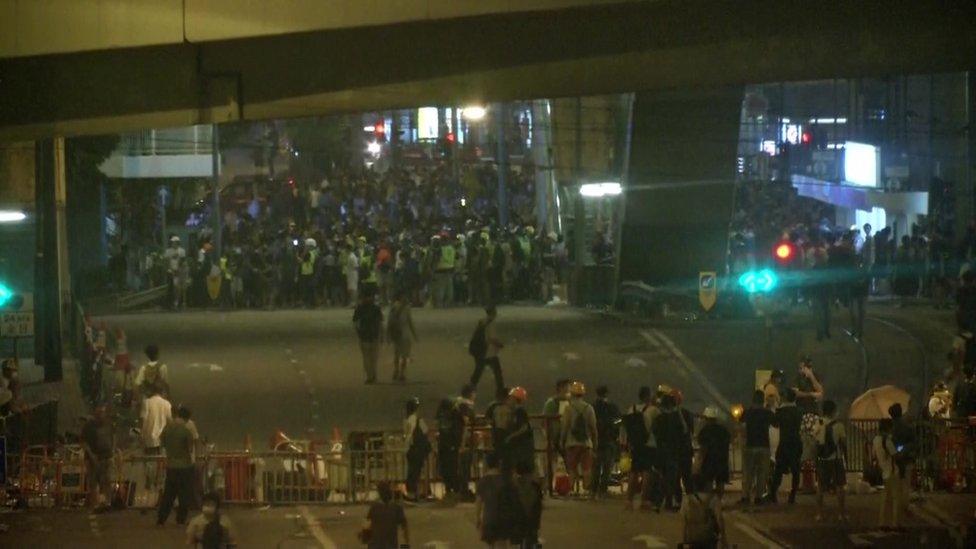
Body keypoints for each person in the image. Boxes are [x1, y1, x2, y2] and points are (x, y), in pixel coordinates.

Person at [158, 405, 196, 526]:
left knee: (168, 494)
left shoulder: (167, 428)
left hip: (171, 465)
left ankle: (161, 519)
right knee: (184, 495)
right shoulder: (185, 431)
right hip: (184, 466)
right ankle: (180, 519)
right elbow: (190, 448)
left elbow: (161, 441)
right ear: (186, 418)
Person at [623, 386, 659, 510]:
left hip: (635, 445)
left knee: (634, 471)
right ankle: (644, 500)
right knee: (647, 472)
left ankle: (628, 500)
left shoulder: (631, 409)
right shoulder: (654, 410)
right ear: (648, 396)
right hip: (649, 444)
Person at [560, 381, 597, 496]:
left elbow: (565, 427)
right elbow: (593, 428)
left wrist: (562, 441)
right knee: (587, 468)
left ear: (572, 393)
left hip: (572, 443)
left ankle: (571, 490)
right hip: (586, 443)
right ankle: (587, 490)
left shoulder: (568, 408)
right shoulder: (589, 408)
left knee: (571, 468)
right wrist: (595, 443)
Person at [768, 388, 803, 504]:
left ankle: (773, 493)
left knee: (778, 470)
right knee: (795, 471)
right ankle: (792, 495)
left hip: (784, 443)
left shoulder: (781, 411)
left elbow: (775, 424)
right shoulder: (799, 411)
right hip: (796, 442)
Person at [815, 399, 847, 522]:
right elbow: (843, 443)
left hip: (823, 459)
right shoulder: (839, 425)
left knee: (820, 487)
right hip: (836, 458)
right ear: (834, 411)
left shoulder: (818, 423)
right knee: (840, 486)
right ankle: (841, 514)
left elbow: (816, 442)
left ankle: (819, 514)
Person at [653, 393, 687, 511]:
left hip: (660, 451)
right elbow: (684, 430)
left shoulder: (658, 418)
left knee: (661, 477)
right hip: (673, 451)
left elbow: (654, 433)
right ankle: (668, 502)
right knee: (671, 479)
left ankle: (657, 502)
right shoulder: (676, 419)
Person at [740, 390, 774, 506]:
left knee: (748, 473)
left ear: (753, 399)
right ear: (762, 399)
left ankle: (745, 497)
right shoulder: (767, 413)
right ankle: (759, 497)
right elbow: (776, 424)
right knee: (762, 473)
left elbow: (742, 428)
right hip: (764, 445)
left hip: (750, 445)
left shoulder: (747, 412)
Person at [475, 452, 515, 548]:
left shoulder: (482, 481)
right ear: (498, 463)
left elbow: (479, 502)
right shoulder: (505, 480)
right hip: (503, 518)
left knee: (491, 544)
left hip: (489, 518)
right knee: (502, 544)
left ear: (487, 464)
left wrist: (478, 519)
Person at [873, 419, 905, 530]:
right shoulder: (887, 441)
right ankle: (895, 523)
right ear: (888, 429)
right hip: (892, 471)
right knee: (896, 498)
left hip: (884, 471)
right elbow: (895, 455)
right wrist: (901, 451)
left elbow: (874, 455)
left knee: (885, 498)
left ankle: (882, 523)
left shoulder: (876, 440)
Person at [81, 404, 114, 511]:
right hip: (93, 459)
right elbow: (84, 442)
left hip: (106, 457)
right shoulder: (88, 426)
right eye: (99, 412)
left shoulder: (109, 424)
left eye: (103, 412)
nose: (101, 415)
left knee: (106, 481)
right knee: (93, 482)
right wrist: (91, 455)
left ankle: (107, 503)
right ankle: (95, 504)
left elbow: (113, 438)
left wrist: (113, 452)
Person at [680, 477, 727, 549]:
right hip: (709, 537)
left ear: (694, 486)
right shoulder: (713, 499)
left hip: (693, 537)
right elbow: (719, 519)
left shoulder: (687, 500)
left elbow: (685, 522)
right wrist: (724, 539)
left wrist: (684, 540)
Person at [592, 385, 621, 497]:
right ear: (607, 394)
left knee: (596, 466)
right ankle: (603, 490)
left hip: (596, 439)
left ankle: (593, 490)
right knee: (607, 466)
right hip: (609, 439)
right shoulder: (612, 407)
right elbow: (618, 421)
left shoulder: (592, 407)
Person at [363, 481, 409, 549]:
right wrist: (406, 546)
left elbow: (367, 527)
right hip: (391, 545)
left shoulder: (374, 508)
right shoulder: (396, 508)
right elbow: (405, 529)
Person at [469, 306, 505, 393]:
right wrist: (500, 344)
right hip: (488, 351)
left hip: (479, 350)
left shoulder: (482, 322)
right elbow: (491, 338)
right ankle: (500, 389)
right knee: (497, 371)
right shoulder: (490, 323)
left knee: (479, 369)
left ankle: (471, 386)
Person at [696, 406, 731, 496]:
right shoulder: (723, 430)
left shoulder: (704, 431)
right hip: (722, 460)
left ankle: (708, 503)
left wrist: (698, 464)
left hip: (709, 461)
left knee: (708, 482)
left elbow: (702, 447)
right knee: (720, 482)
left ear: (706, 418)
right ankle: (718, 503)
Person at [353, 291, 384, 384]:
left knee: (366, 358)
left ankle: (369, 376)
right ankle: (373, 375)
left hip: (364, 335)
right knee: (373, 358)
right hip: (374, 335)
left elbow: (355, 322)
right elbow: (380, 323)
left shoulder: (360, 308)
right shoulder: (376, 308)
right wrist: (381, 335)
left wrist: (358, 332)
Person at [403, 397, 431, 501]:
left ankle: (412, 493)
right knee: (417, 472)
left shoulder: (406, 421)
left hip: (410, 450)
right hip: (419, 450)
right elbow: (426, 431)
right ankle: (420, 493)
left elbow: (406, 436)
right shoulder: (419, 420)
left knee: (412, 472)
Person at [387, 292, 418, 382]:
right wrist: (415, 335)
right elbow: (410, 322)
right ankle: (402, 373)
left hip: (396, 334)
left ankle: (396, 370)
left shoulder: (393, 308)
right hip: (405, 334)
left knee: (396, 354)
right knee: (404, 355)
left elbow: (390, 323)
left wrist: (388, 335)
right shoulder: (406, 308)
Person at [512, 460, 543, 549]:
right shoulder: (535, 486)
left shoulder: (515, 486)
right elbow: (539, 504)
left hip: (519, 518)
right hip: (533, 518)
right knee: (531, 538)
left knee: (521, 539)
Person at [435, 398, 462, 498]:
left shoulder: (441, 415)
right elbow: (457, 430)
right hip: (451, 446)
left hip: (443, 446)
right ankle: (455, 488)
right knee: (453, 467)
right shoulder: (454, 414)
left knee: (445, 467)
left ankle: (448, 488)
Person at [505, 386, 535, 476]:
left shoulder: (520, 411)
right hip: (522, 445)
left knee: (524, 470)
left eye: (510, 398)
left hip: (523, 446)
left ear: (515, 399)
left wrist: (510, 437)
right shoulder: (516, 411)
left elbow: (524, 428)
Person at [455, 384, 477, 499]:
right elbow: (466, 424)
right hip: (464, 442)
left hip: (459, 441)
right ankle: (464, 492)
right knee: (465, 467)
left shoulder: (458, 404)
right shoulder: (466, 407)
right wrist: (463, 443)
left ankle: (462, 491)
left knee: (463, 467)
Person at [142, 386, 172, 454]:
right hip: (162, 438)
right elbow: (170, 421)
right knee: (161, 460)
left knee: (150, 461)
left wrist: (142, 435)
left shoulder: (147, 402)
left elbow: (144, 420)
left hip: (149, 438)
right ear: (163, 392)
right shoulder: (167, 404)